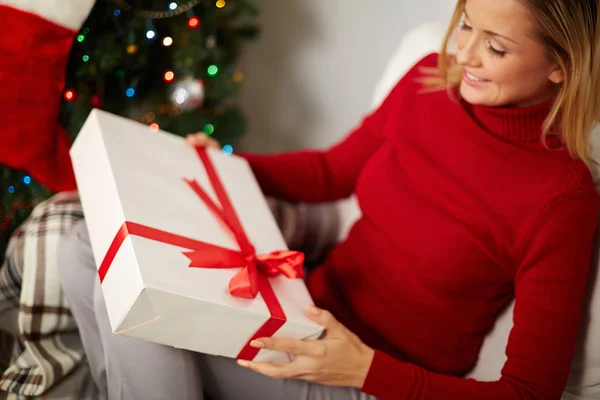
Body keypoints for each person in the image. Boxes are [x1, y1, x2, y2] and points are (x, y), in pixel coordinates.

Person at [58, 0, 600, 398]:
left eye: (496, 46)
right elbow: (331, 171)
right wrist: (220, 163)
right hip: (303, 314)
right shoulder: (429, 81)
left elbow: (529, 391)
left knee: (140, 315)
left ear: (562, 65)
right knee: (88, 243)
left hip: (367, 380)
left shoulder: (563, 199)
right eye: (465, 25)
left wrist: (364, 370)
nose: (463, 53)